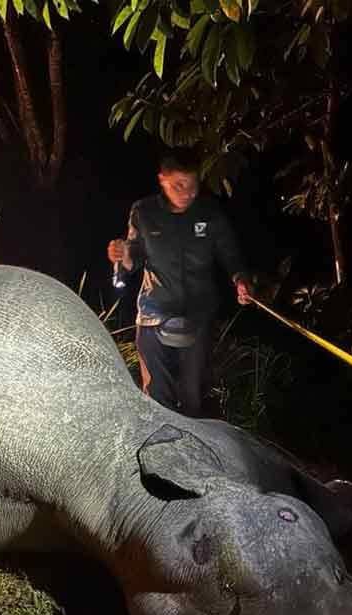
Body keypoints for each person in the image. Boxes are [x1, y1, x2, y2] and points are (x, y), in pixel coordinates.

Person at [106, 147, 253, 417]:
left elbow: (231, 255)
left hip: (197, 317)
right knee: (156, 401)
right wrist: (123, 254)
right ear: (162, 179)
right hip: (154, 314)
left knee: (192, 399)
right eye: (179, 185)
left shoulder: (209, 213)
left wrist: (240, 280)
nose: (187, 193)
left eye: (193, 185)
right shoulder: (144, 211)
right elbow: (134, 255)